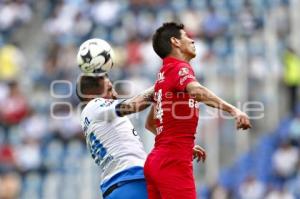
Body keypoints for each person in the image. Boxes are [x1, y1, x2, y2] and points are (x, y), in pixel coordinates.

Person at [144, 22, 251, 199]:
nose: (192, 41)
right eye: (187, 37)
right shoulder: (180, 68)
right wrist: (233, 110)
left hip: (156, 162)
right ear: (175, 42)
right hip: (173, 163)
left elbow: (150, 123)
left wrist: (183, 145)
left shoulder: (163, 77)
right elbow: (197, 91)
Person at [77, 73, 206, 199]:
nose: (115, 94)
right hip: (130, 180)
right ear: (90, 96)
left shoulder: (97, 117)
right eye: (109, 89)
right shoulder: (95, 106)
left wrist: (180, 146)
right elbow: (134, 105)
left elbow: (150, 124)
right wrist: (162, 85)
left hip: (117, 186)